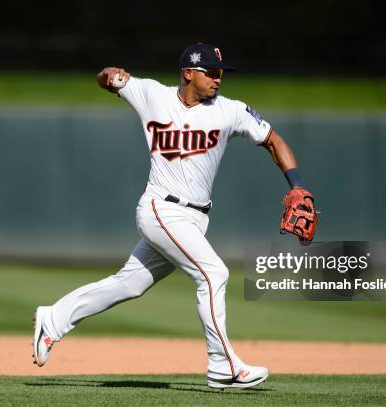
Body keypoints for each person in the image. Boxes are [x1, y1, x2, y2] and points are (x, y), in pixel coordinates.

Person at [32, 43, 313, 389]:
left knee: (129, 283)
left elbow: (274, 140)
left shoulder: (231, 110)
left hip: (194, 219)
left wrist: (297, 185)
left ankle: (53, 319)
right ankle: (222, 365)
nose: (218, 78)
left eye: (221, 72)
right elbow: (104, 78)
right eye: (210, 71)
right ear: (188, 72)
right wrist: (110, 75)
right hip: (160, 209)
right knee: (214, 274)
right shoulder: (152, 95)